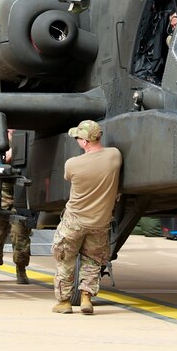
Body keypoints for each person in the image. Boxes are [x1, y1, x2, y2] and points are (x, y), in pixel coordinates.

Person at [51, 120, 122, 315]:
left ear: (84, 141)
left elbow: (67, 177)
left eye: (78, 138)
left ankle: (64, 302)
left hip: (74, 221)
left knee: (65, 259)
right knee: (92, 261)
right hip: (100, 222)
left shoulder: (72, 164)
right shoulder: (115, 156)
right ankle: (86, 299)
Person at [0, 129, 31, 284]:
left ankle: (21, 270)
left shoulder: (27, 137)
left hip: (20, 190)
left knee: (20, 234)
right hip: (0, 191)